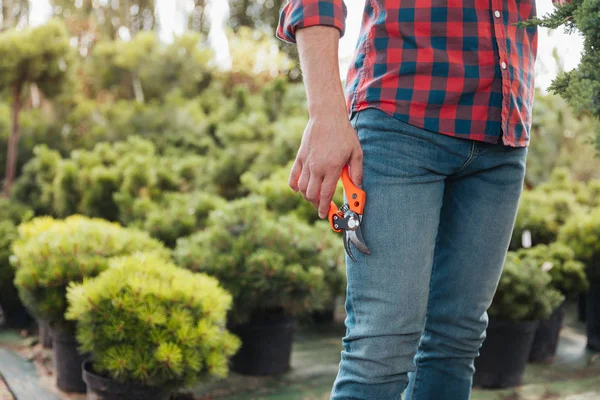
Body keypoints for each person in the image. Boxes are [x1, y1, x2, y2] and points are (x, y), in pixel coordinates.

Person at [276, 0, 540, 399]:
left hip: (501, 133)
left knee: (456, 341)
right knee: (380, 348)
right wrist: (326, 113)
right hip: (400, 122)